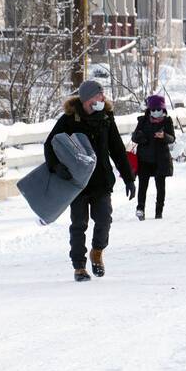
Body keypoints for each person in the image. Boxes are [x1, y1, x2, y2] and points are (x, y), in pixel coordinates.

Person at [44, 79, 135, 282]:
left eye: (102, 95)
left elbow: (117, 148)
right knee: (79, 224)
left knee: (104, 219)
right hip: (77, 184)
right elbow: (50, 145)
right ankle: (79, 267)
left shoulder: (106, 118)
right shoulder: (69, 119)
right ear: (87, 99)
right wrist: (57, 167)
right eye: (98, 95)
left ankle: (97, 251)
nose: (102, 98)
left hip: (101, 180)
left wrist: (128, 178)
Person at [130, 94, 175, 220]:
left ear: (163, 109)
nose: (155, 112)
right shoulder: (143, 121)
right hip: (144, 159)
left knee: (160, 187)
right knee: (142, 186)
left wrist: (164, 136)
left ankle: (159, 212)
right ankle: (140, 209)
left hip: (161, 160)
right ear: (149, 110)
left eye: (158, 110)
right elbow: (134, 137)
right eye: (153, 110)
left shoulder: (167, 121)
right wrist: (141, 138)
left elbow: (172, 138)